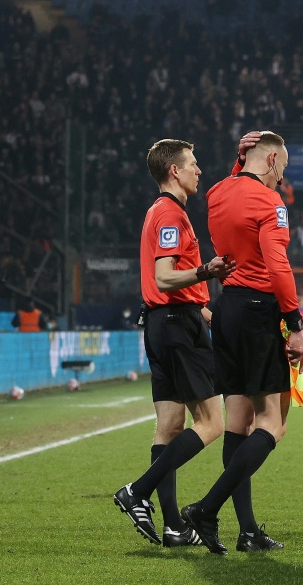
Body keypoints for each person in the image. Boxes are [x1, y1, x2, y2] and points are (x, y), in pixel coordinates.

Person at [180, 130, 303, 555]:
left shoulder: (216, 192)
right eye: (282, 169)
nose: (281, 180)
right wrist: (295, 322)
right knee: (273, 423)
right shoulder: (271, 203)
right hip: (259, 311)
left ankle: (248, 530)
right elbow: (278, 264)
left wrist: (242, 160)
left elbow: (239, 175)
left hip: (227, 307)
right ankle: (206, 509)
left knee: (237, 423)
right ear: (271, 160)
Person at [114, 138, 234, 548]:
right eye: (193, 164)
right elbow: (166, 277)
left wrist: (205, 310)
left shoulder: (162, 212)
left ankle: (173, 527)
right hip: (177, 329)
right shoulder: (170, 215)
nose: (198, 170)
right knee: (213, 423)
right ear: (174, 171)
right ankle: (137, 491)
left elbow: (164, 283)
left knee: (169, 426)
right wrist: (206, 271)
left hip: (165, 323)